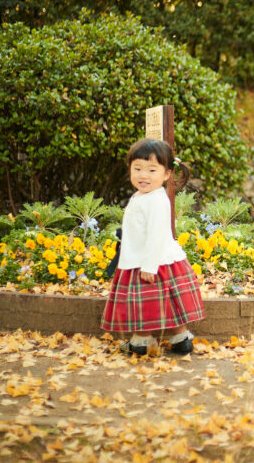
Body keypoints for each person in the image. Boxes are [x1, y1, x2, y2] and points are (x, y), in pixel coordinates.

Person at [101, 137, 204, 355]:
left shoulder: (156, 200)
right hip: (151, 259)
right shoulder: (143, 196)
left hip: (151, 262)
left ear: (166, 174)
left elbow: (156, 235)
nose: (143, 175)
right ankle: (180, 339)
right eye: (137, 168)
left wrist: (149, 265)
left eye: (151, 170)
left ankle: (142, 341)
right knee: (169, 303)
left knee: (145, 305)